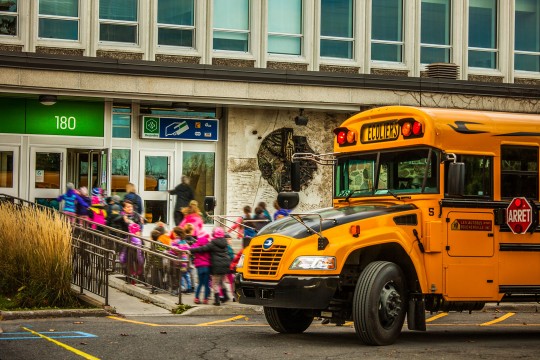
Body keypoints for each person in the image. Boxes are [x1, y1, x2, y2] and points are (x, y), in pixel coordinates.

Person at [190, 227, 232, 306]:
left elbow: (202, 249)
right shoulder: (225, 242)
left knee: (215, 283)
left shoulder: (213, 243)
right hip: (225, 265)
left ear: (214, 234)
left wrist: (191, 250)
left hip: (217, 266)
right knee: (221, 282)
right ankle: (226, 296)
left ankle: (217, 300)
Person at [170, 226, 193, 294]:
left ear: (176, 233)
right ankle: (189, 287)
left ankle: (181, 288)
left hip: (178, 261)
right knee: (186, 274)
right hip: (185, 260)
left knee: (179, 275)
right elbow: (188, 248)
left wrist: (169, 252)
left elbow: (173, 251)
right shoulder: (184, 241)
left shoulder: (175, 241)